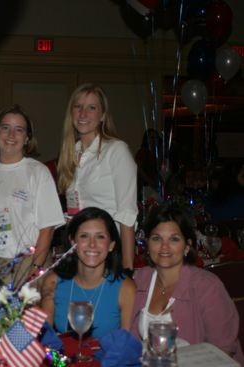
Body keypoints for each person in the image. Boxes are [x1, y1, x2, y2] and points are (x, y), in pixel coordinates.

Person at [130, 203, 244, 364]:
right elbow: (129, 342)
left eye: (174, 239)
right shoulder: (140, 280)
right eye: (157, 238)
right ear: (147, 244)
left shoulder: (207, 287)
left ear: (187, 247)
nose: (164, 246)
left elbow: (223, 350)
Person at [0, 104, 65, 288]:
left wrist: (36, 267)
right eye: (5, 128)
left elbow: (47, 228)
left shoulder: (37, 172)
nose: (11, 135)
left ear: (27, 138)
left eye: (19, 130)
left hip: (24, 264)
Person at [56, 83, 138, 269]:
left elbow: (127, 215)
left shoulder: (116, 151)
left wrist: (127, 269)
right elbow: (74, 210)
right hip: (79, 254)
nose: (83, 114)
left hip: (109, 253)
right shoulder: (71, 154)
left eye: (91, 108)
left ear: (102, 115)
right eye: (78, 107)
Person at [41, 207, 136, 338]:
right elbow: (44, 339)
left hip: (107, 358)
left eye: (100, 237)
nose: (92, 244)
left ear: (111, 245)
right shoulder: (53, 282)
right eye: (84, 236)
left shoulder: (125, 288)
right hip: (63, 358)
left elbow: (128, 346)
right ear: (73, 242)